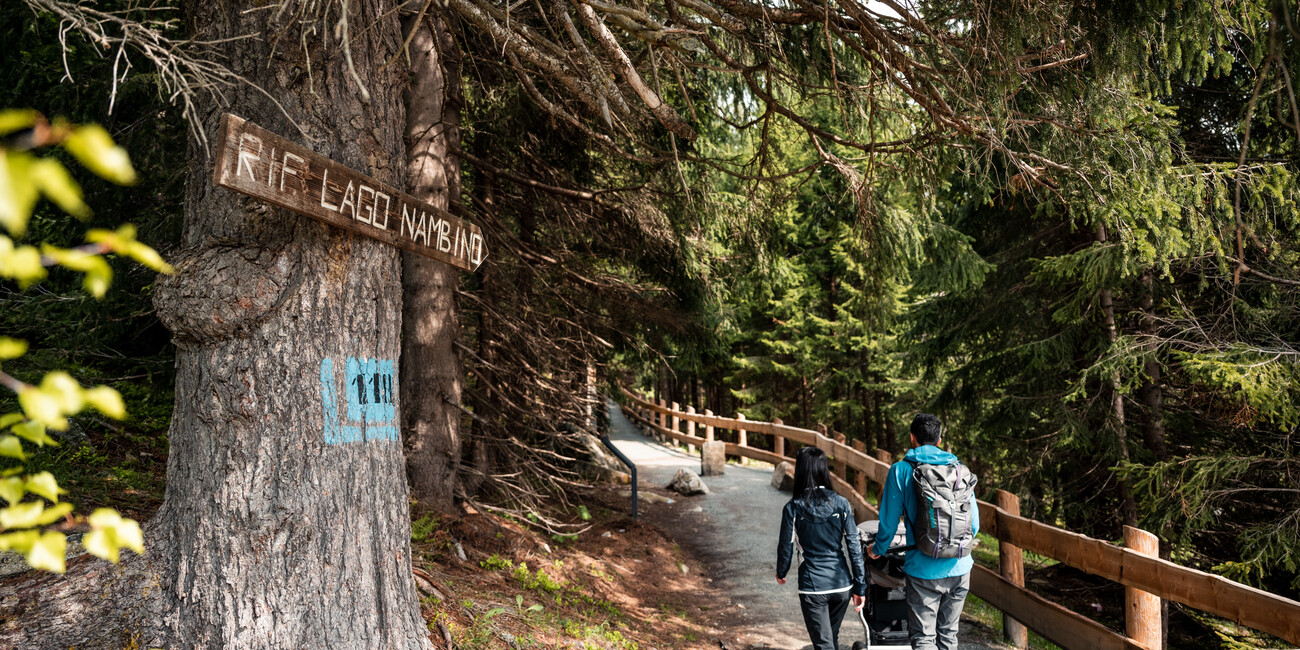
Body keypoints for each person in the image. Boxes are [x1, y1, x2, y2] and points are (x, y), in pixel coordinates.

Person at [868, 413, 979, 650]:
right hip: (960, 565)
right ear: (939, 440)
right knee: (949, 635)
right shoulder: (960, 470)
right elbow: (974, 525)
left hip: (923, 568)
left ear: (912, 438)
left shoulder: (901, 470)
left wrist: (877, 549)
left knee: (923, 639)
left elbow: (888, 524)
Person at [776, 446, 868, 650]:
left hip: (813, 586)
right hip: (842, 585)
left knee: (824, 644)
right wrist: (860, 586)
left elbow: (786, 545)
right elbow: (853, 545)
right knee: (829, 639)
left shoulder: (793, 508)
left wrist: (781, 571)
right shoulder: (842, 504)